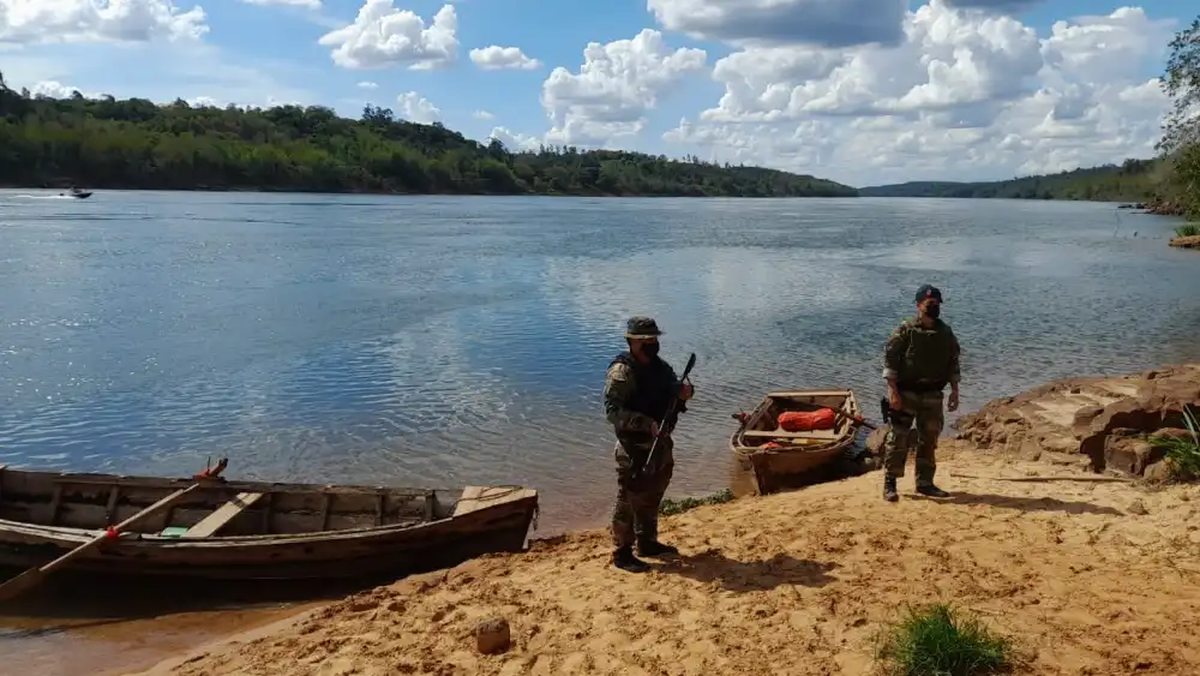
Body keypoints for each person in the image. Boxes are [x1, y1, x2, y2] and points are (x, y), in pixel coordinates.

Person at [603, 316, 694, 572]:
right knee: (629, 498)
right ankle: (622, 552)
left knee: (655, 490)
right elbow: (612, 412)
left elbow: (671, 390)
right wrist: (644, 423)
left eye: (654, 339)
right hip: (633, 446)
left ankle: (647, 541)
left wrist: (684, 393)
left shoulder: (660, 367)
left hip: (660, 441)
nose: (651, 344)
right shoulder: (622, 372)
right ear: (631, 342)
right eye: (645, 340)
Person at [881, 284, 961, 502]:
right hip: (906, 392)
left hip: (933, 394)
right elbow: (890, 362)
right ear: (919, 305)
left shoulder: (945, 332)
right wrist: (892, 391)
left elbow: (953, 362)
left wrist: (955, 391)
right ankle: (890, 483)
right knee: (898, 437)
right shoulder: (905, 330)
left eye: (937, 304)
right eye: (930, 304)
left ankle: (925, 483)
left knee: (929, 440)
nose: (934, 307)